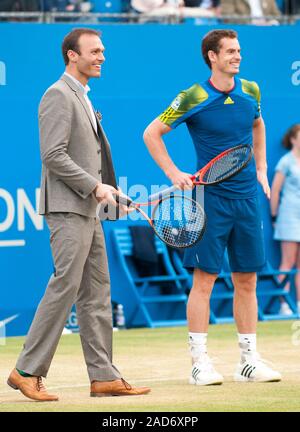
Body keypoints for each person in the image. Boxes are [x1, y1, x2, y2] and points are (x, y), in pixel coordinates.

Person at [7, 28, 150, 401]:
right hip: (68, 208)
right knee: (65, 286)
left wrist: (109, 192)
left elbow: (89, 157)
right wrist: (94, 186)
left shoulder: (84, 97)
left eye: (103, 51)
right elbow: (53, 156)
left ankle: (103, 376)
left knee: (97, 292)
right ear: (73, 55)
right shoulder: (58, 95)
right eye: (95, 51)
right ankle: (26, 371)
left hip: (89, 209)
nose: (102, 56)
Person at [143, 29, 281, 385]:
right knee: (204, 281)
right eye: (231, 51)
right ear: (212, 57)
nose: (238, 56)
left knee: (247, 280)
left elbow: (258, 125)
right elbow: (152, 133)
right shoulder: (193, 95)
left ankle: (248, 362)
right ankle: (199, 363)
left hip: (247, 199)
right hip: (210, 201)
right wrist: (174, 172)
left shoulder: (251, 90)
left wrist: (263, 169)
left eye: (239, 50)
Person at [270, 124, 300, 316]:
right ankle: (284, 304)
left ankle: (298, 303)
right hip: (289, 216)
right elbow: (275, 190)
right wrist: (274, 216)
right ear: (293, 140)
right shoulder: (285, 162)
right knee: (287, 263)